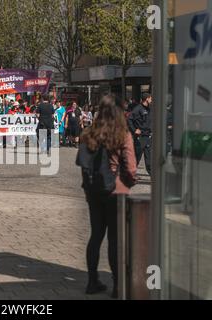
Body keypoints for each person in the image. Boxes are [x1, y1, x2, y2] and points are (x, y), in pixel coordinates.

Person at [79, 94, 137, 299]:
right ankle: (118, 285)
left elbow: (83, 163)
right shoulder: (122, 134)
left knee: (96, 235)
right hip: (115, 191)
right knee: (115, 239)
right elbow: (130, 168)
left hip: (93, 190)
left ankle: (92, 281)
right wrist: (127, 183)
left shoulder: (88, 134)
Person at [128, 93, 153, 175]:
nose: (151, 100)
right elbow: (129, 119)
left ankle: (153, 175)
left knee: (149, 158)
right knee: (137, 157)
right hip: (140, 137)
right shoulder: (138, 109)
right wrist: (134, 130)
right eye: (150, 98)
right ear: (147, 99)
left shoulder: (149, 109)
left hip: (148, 136)